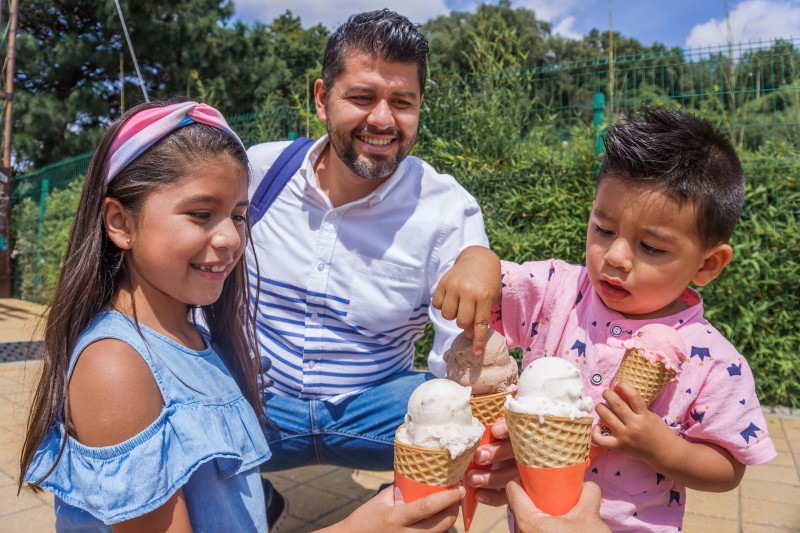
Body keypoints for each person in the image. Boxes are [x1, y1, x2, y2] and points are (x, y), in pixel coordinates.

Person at [16, 99, 465, 532]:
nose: (231, 238)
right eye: (200, 214)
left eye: (238, 215)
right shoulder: (115, 368)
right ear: (120, 223)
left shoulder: (194, 338)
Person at [434, 106, 778, 530]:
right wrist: (476, 258)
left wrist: (662, 448)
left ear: (708, 265)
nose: (615, 257)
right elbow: (495, 280)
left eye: (651, 247)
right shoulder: (559, 291)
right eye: (604, 229)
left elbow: (729, 468)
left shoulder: (714, 359)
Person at [245, 8, 491, 517]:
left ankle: (406, 511)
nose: (382, 119)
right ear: (321, 98)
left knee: (480, 426)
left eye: (402, 102)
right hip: (253, 404)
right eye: (361, 97)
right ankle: (244, 500)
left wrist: (483, 259)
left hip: (376, 411)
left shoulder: (446, 210)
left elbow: (460, 362)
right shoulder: (259, 172)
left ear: (420, 107)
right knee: (152, 407)